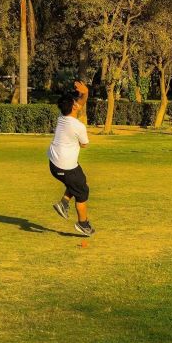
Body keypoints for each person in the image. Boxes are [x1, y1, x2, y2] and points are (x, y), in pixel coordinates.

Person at [48, 80, 95, 236]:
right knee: (82, 191)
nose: (79, 102)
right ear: (74, 106)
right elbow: (84, 145)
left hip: (55, 164)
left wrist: (85, 91)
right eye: (76, 101)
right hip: (65, 166)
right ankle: (83, 224)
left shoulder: (62, 117)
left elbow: (81, 101)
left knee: (78, 181)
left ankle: (63, 203)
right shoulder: (78, 126)